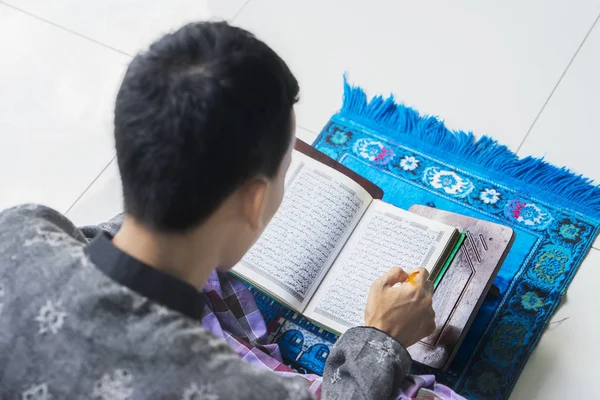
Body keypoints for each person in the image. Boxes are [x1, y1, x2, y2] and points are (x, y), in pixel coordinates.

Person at [0, 22, 448, 399]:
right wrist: (381, 338)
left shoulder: (20, 228)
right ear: (255, 200)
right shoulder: (236, 388)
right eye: (286, 171)